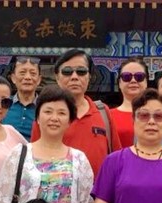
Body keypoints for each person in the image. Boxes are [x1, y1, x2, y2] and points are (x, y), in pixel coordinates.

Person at [30, 48, 121, 177]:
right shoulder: (47, 116)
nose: (74, 77)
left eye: (81, 71)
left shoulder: (102, 112)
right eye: (67, 72)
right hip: (58, 187)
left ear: (89, 77)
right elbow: (33, 158)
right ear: (57, 77)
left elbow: (116, 158)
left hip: (99, 189)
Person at [110, 57, 149, 148]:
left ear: (146, 82)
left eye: (139, 76)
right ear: (119, 83)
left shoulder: (158, 115)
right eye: (126, 77)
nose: (133, 81)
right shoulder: (108, 116)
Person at [3, 56, 42, 141]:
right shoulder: (3, 104)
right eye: (22, 73)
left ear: (39, 80)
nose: (27, 77)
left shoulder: (45, 108)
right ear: (13, 78)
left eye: (33, 73)